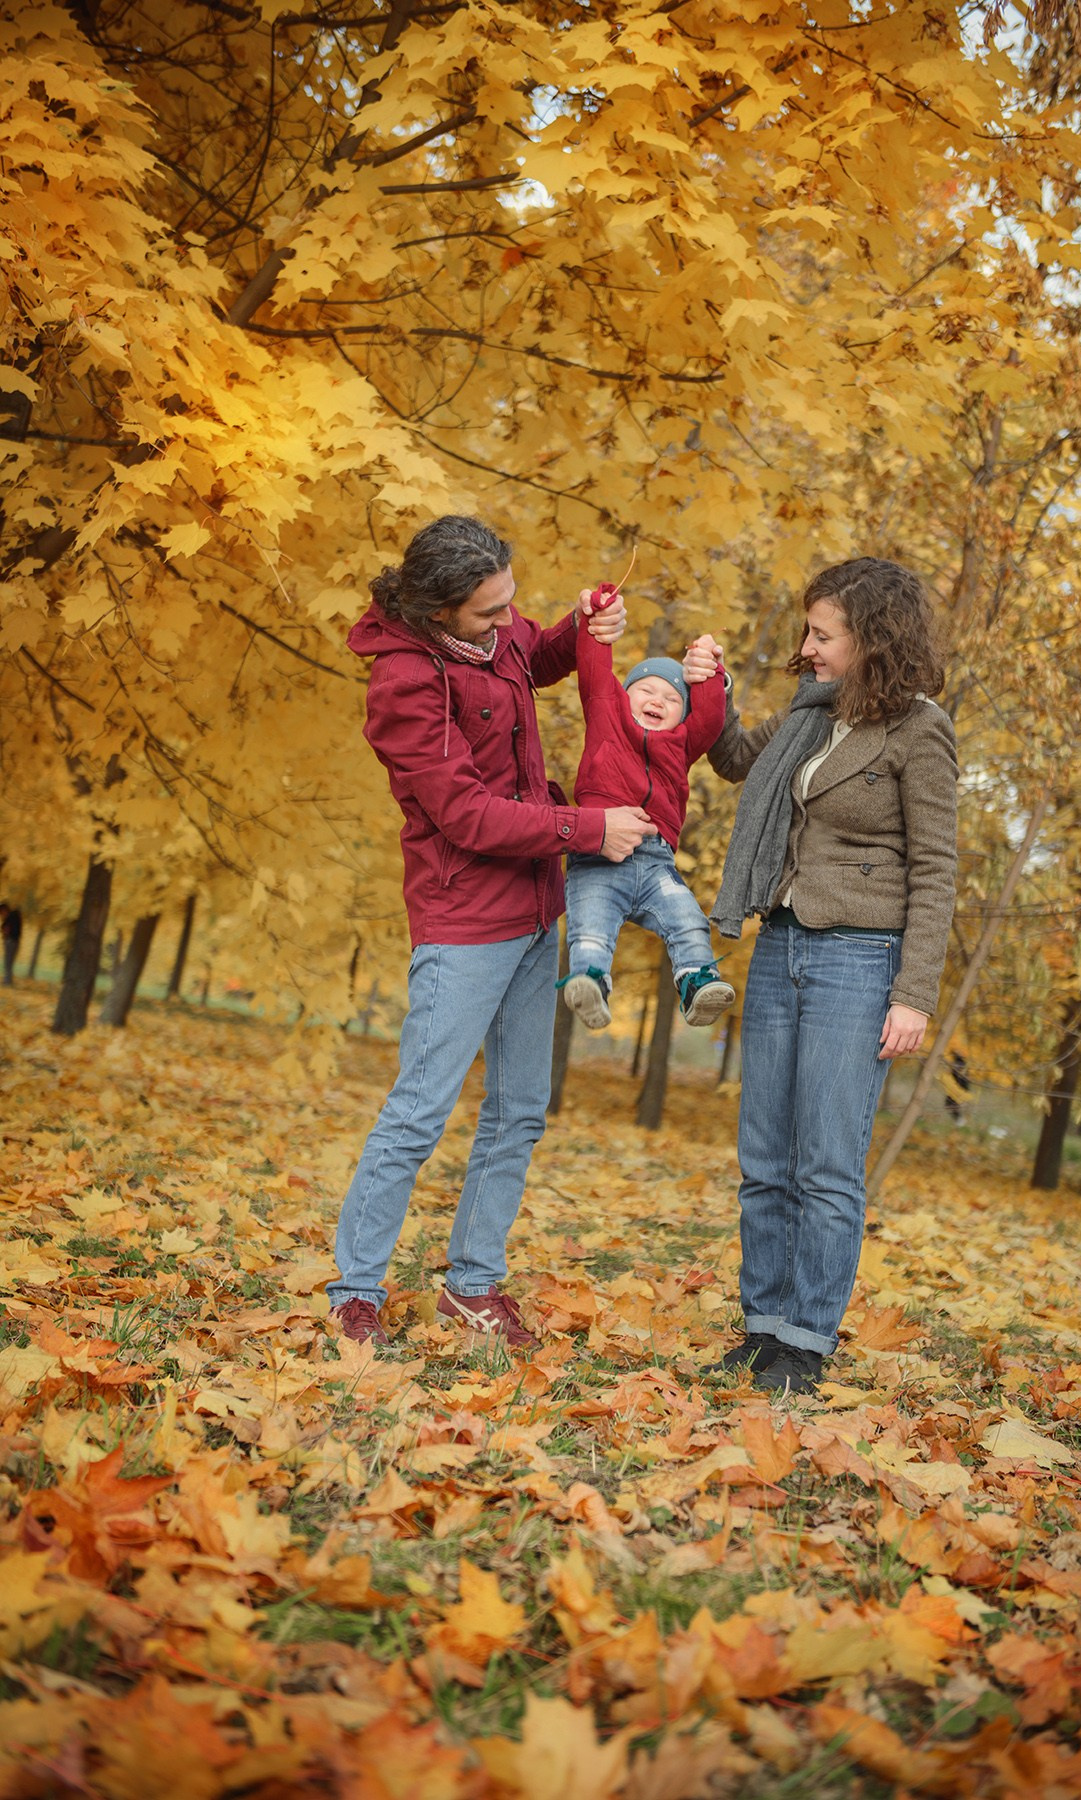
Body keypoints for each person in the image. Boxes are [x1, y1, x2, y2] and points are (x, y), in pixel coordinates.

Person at [326, 516, 656, 1351]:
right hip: (465, 920)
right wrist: (586, 829)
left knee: (519, 1111)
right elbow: (463, 812)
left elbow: (533, 658)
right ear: (438, 610)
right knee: (419, 1113)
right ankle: (354, 1291)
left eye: (510, 602)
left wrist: (578, 627)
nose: (506, 622)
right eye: (487, 612)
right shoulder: (403, 682)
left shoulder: (495, 633)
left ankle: (473, 1286)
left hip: (536, 908)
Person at [688, 557, 958, 1395]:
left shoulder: (918, 729)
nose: (806, 648)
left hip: (859, 959)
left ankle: (805, 1338)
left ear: (870, 640)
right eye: (807, 631)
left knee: (826, 1164)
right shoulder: (810, 712)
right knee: (764, 1154)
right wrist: (710, 687)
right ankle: (763, 1323)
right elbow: (732, 758)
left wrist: (913, 994)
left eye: (821, 634)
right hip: (782, 942)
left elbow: (936, 868)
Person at [561, 616, 736, 1030]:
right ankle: (589, 981)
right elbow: (594, 672)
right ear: (624, 697)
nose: (658, 700)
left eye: (672, 699)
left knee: (687, 919)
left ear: (681, 716)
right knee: (591, 923)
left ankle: (697, 982)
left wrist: (708, 668)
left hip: (656, 863)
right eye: (646, 690)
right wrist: (595, 624)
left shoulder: (681, 745)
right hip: (599, 856)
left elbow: (710, 718)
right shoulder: (607, 721)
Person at [1, 903, 21, 986]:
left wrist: (5, 934)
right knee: (9, 962)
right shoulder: (15, 916)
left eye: (1, 913)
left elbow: (6, 929)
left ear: (5, 910)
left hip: (10, 941)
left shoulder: (10, 918)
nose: (1, 915)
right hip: (14, 941)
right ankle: (8, 980)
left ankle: (7, 981)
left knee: (8, 961)